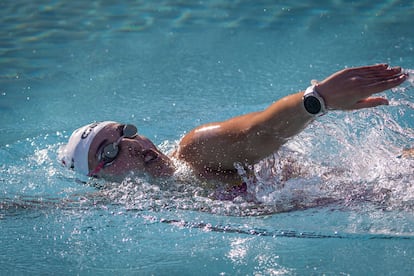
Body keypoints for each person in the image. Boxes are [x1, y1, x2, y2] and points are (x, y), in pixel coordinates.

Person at [60, 64, 408, 186]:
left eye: (127, 132)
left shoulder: (195, 151)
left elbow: (258, 133)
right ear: (98, 178)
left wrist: (318, 99)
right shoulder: (138, 201)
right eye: (110, 151)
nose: (134, 145)